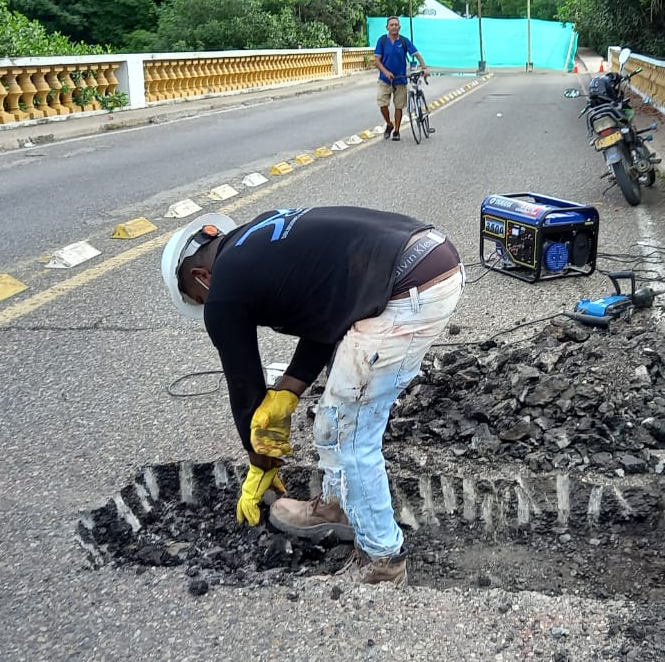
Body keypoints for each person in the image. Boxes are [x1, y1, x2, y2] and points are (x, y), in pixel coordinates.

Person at [160, 206, 465, 585]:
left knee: (345, 431)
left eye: (198, 297)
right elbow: (327, 313)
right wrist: (289, 389)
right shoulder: (257, 237)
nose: (206, 303)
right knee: (335, 419)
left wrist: (262, 467)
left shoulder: (223, 290)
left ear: (200, 276)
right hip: (428, 257)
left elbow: (245, 391)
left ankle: (383, 560)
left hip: (407, 290)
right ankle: (340, 507)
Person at [373, 16, 428, 141]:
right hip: (385, 79)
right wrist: (386, 72)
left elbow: (416, 54)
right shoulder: (382, 41)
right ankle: (389, 124)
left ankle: (397, 130)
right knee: (382, 104)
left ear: (399, 27)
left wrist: (424, 67)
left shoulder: (403, 41)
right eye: (391, 25)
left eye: (396, 25)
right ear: (387, 27)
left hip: (400, 79)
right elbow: (377, 60)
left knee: (399, 106)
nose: (394, 27)